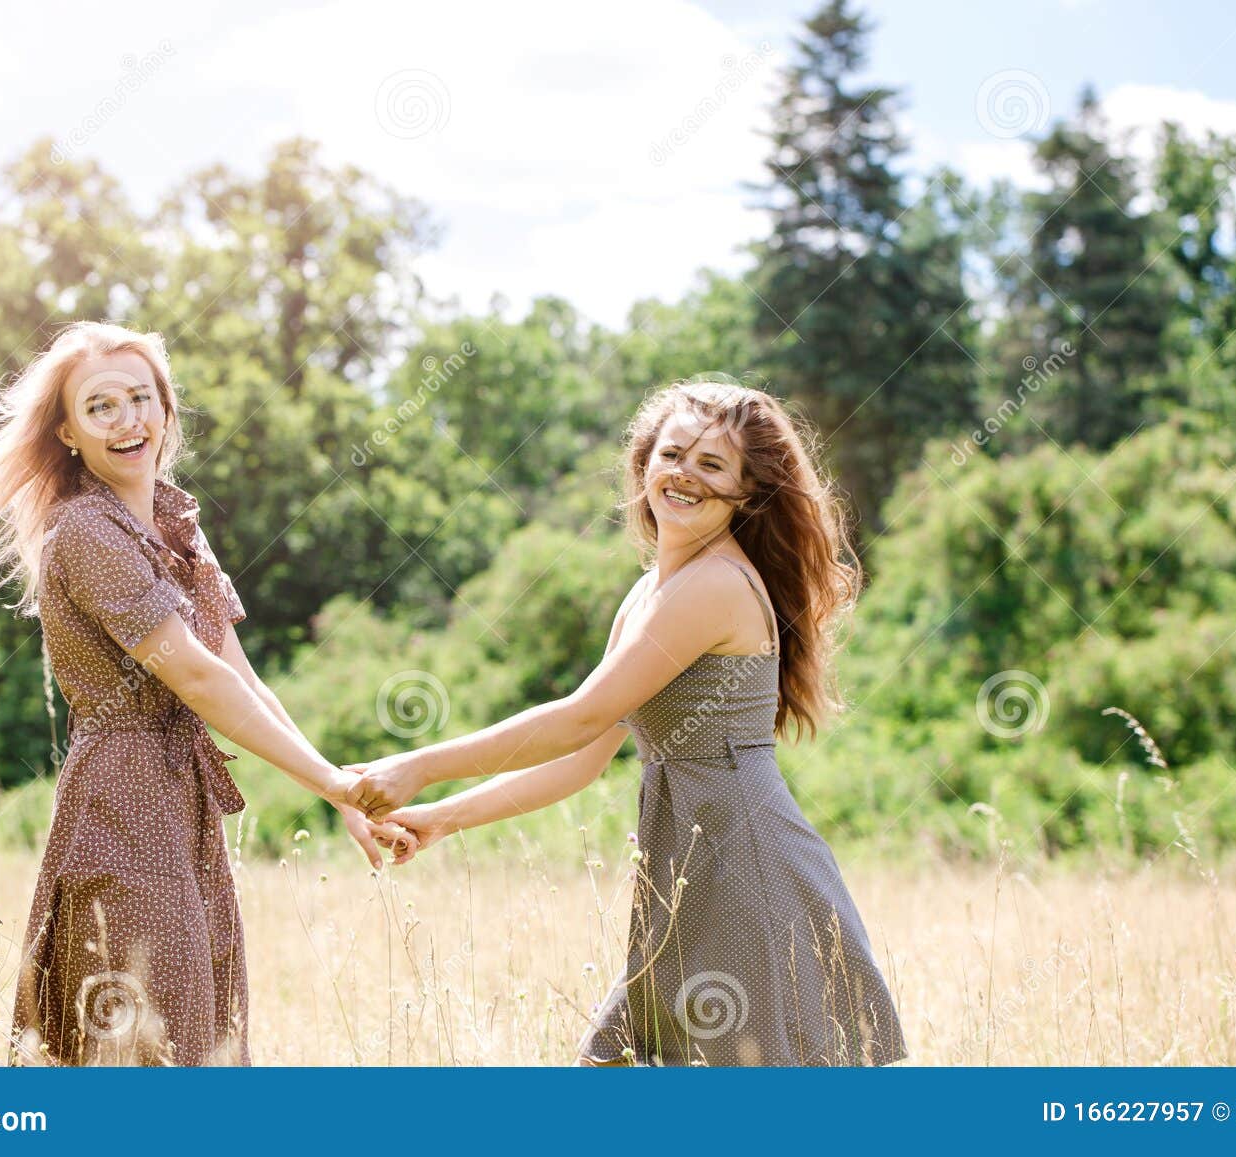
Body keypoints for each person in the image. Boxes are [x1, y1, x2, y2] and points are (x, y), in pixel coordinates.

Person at [0, 321, 409, 1066]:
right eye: (101, 406)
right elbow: (196, 676)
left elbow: (241, 676)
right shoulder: (86, 533)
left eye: (141, 397)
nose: (128, 419)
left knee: (201, 1033)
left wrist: (341, 791)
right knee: (144, 1047)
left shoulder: (175, 525)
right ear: (67, 430)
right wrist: (331, 783)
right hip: (121, 805)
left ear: (166, 409)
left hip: (185, 807)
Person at [352, 380, 907, 1066]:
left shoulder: (714, 586)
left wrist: (418, 764)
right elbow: (580, 757)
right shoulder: (652, 590)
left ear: (747, 491)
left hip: (745, 868)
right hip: (689, 872)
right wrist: (442, 816)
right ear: (644, 463)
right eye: (672, 453)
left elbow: (578, 716)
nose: (683, 473)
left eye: (712, 464)